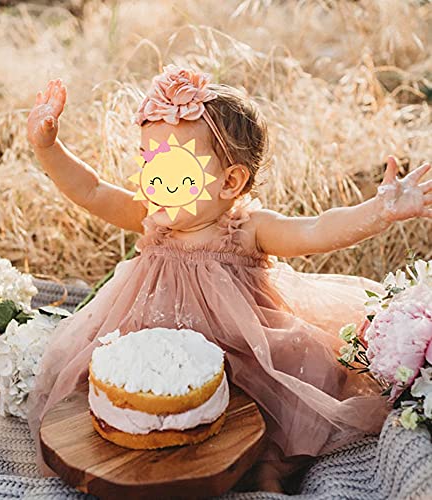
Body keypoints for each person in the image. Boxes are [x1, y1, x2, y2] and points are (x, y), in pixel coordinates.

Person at [25, 65, 432, 492]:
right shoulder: (152, 216)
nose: (154, 181)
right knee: (116, 391)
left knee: (267, 404)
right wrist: (48, 146)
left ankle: (262, 468)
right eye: (149, 163)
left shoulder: (249, 229)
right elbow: (90, 190)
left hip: (240, 353)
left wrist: (380, 212)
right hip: (155, 351)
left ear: (230, 181)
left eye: (173, 170)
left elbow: (316, 230)